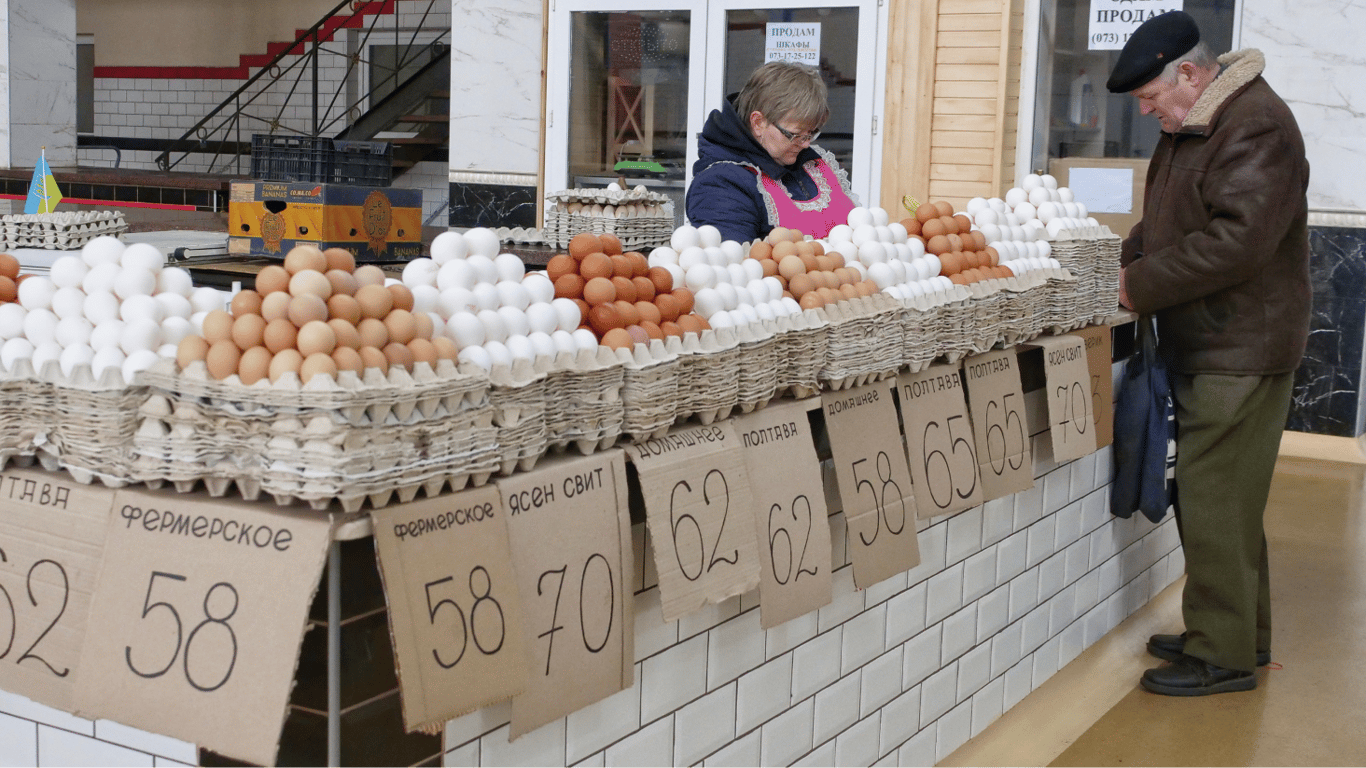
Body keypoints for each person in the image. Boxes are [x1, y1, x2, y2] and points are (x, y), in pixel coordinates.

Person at [1109, 11, 1310, 696]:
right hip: (1218, 337)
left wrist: (1139, 283)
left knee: (1213, 496)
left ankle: (1219, 656)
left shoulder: (1254, 124)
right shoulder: (1200, 120)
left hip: (1239, 344)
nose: (1147, 112)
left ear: (1189, 75)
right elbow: (1173, 217)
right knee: (1226, 498)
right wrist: (1125, 254)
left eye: (1151, 98)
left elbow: (1237, 242)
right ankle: (1235, 636)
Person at [686, 61, 857, 242]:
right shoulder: (720, 184)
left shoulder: (811, 163)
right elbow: (735, 262)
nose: (806, 145)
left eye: (811, 133)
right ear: (758, 123)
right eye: (795, 135)